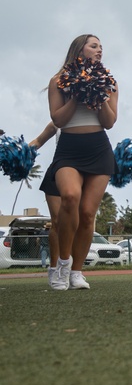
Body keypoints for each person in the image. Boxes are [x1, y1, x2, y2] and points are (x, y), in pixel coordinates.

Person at [43, 35, 119, 292]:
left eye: (101, 47)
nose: (99, 50)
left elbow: (109, 122)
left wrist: (99, 97)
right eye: (94, 45)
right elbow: (59, 120)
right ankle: (63, 264)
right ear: (79, 49)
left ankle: (77, 271)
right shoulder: (58, 81)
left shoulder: (109, 81)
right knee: (70, 197)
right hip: (69, 149)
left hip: (98, 148)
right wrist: (76, 95)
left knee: (88, 214)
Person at [29, 122, 60, 285]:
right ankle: (54, 269)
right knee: (57, 221)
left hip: (84, 170)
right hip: (58, 168)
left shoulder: (91, 115)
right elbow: (39, 141)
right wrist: (19, 152)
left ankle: (73, 269)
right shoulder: (57, 122)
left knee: (79, 222)